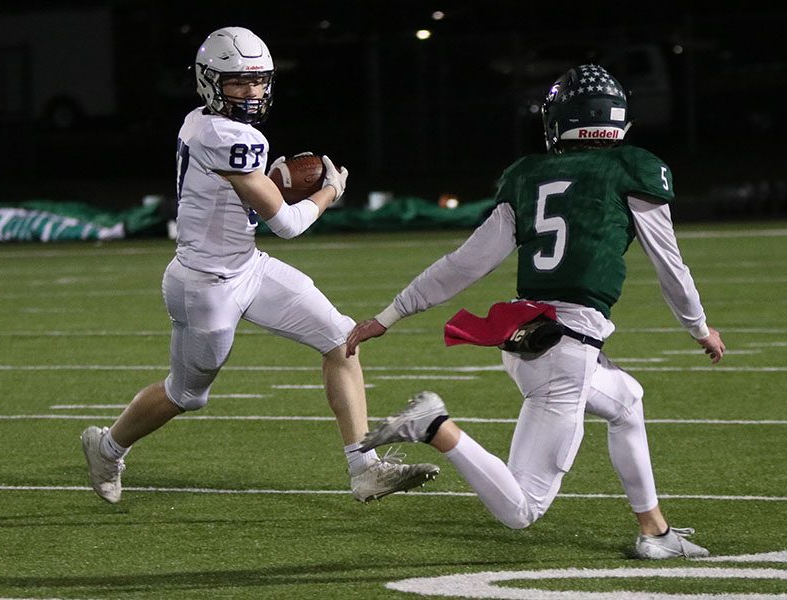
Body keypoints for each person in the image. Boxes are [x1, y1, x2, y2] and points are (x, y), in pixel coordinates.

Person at [346, 64, 726, 559]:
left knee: (627, 401)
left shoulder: (528, 175)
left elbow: (464, 264)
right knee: (522, 509)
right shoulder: (631, 167)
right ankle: (435, 427)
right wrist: (699, 327)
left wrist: (390, 314)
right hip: (565, 353)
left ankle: (654, 532)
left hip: (534, 336)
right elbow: (669, 265)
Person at [81, 26, 438, 505]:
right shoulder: (224, 134)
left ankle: (365, 468)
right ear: (210, 82)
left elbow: (235, 196)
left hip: (248, 266)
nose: (252, 93)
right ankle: (106, 447)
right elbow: (288, 225)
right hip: (206, 283)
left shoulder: (203, 122)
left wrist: (268, 182)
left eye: (259, 82)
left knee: (341, 339)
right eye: (238, 83)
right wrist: (330, 190)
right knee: (187, 395)